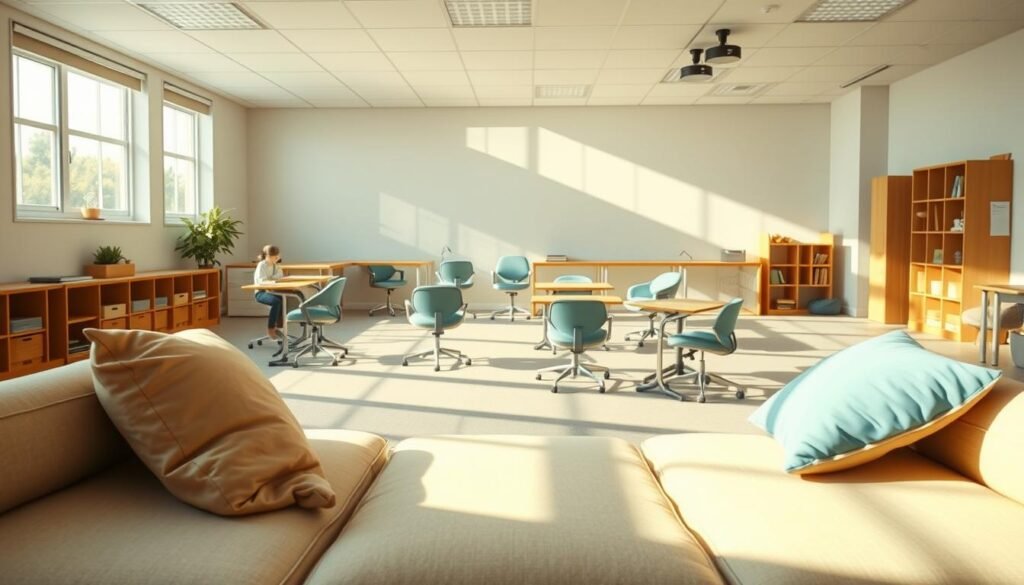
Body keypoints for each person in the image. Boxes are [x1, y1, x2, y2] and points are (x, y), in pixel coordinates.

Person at [254, 245, 285, 341]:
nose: (277, 258)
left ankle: (279, 327)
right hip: (261, 292)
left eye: (277, 256)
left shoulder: (276, 265)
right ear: (268, 256)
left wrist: (272, 279)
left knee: (283, 299)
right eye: (275, 257)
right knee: (276, 301)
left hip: (272, 291)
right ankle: (271, 328)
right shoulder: (262, 265)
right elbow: (261, 281)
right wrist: (272, 279)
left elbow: (280, 275)